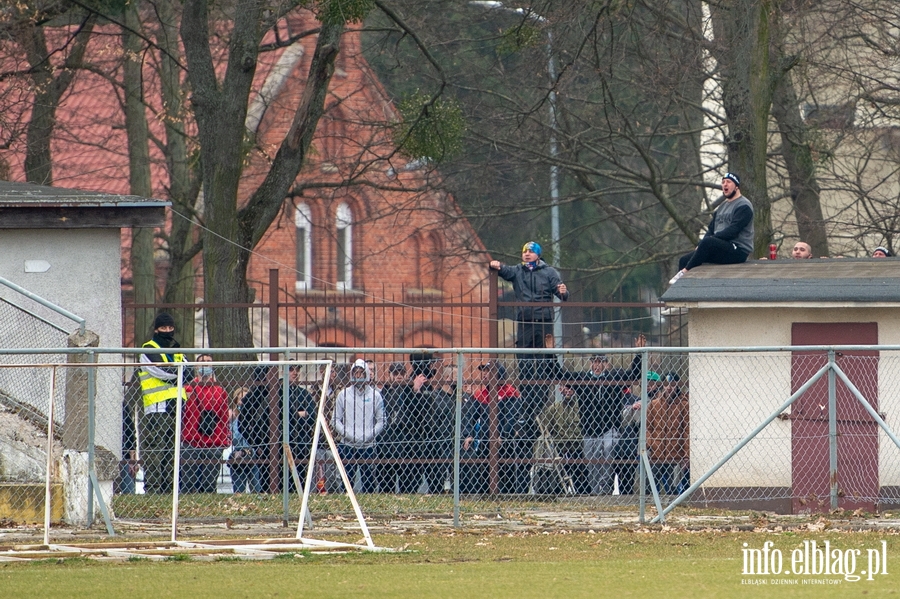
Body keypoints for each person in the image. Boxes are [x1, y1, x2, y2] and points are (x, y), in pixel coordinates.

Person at [489, 241, 569, 382]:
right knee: (524, 360)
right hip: (524, 321)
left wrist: (563, 292)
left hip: (544, 321)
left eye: (530, 252)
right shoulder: (518, 270)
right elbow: (505, 271)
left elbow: (561, 293)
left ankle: (541, 397)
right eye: (524, 251)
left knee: (543, 362)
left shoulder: (549, 272)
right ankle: (526, 397)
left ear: (538, 255)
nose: (526, 254)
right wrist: (495, 265)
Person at [574, 336, 644, 495]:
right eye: (594, 361)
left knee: (609, 450)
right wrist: (548, 352)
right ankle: (595, 491)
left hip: (609, 428)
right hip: (589, 430)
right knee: (592, 463)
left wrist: (639, 352)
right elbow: (559, 374)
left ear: (605, 364)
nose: (596, 365)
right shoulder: (583, 379)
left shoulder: (614, 377)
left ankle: (605, 490)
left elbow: (634, 374)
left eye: (600, 362)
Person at [670, 172, 754, 284]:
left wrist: (710, 241)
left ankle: (685, 272)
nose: (725, 184)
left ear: (737, 186)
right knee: (684, 260)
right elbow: (711, 230)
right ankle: (683, 290)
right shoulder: (721, 207)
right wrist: (701, 246)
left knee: (708, 242)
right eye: (723, 182)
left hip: (737, 250)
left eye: (728, 182)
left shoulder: (744, 206)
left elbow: (733, 231)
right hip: (719, 247)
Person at [137, 312, 189, 494]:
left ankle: (169, 489)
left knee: (172, 450)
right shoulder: (149, 349)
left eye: (170, 328)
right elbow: (161, 371)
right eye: (163, 328)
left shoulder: (177, 349)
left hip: (176, 406)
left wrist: (180, 375)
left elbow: (187, 369)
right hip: (157, 407)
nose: (167, 331)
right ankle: (153, 489)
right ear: (156, 329)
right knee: (154, 450)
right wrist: (180, 376)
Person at [333, 359, 385, 493]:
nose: (358, 376)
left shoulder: (376, 396)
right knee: (346, 483)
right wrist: (349, 435)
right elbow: (335, 420)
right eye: (355, 373)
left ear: (366, 374)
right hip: (347, 445)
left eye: (361, 373)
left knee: (369, 484)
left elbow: (381, 421)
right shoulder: (343, 395)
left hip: (368, 445)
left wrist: (368, 435)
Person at [473, 361, 525, 494]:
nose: (484, 374)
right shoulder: (481, 394)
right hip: (485, 440)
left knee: (506, 473)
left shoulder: (509, 392)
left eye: (488, 371)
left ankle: (509, 498)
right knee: (484, 473)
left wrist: (502, 435)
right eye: (483, 371)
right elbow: (470, 415)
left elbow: (511, 417)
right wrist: (469, 433)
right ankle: (484, 497)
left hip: (504, 442)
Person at [182, 354, 231, 493]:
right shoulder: (188, 388)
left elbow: (223, 418)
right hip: (190, 439)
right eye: (203, 362)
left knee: (209, 484)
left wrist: (223, 439)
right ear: (197, 366)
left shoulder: (220, 390)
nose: (206, 365)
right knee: (188, 483)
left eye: (209, 362)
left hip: (213, 441)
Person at [615, 371, 663, 494]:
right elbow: (624, 422)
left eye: (651, 383)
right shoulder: (640, 401)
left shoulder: (664, 402)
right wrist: (632, 409)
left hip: (661, 442)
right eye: (645, 384)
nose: (648, 386)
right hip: (642, 444)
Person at [532, 382, 584, 495]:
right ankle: (558, 489)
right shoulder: (555, 407)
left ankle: (582, 491)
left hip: (578, 446)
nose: (568, 390)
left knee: (580, 471)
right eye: (565, 387)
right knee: (556, 466)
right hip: (560, 446)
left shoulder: (581, 407)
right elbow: (543, 425)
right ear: (560, 389)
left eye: (571, 388)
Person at [645, 373, 689, 495]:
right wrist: (650, 445)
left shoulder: (684, 405)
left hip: (675, 453)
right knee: (650, 486)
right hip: (656, 453)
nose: (669, 387)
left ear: (677, 386)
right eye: (666, 385)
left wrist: (686, 454)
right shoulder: (654, 404)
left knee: (673, 489)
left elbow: (687, 430)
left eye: (673, 385)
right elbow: (648, 428)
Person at [376, 362, 415, 493]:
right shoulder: (383, 393)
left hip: (405, 439)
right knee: (386, 482)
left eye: (402, 373)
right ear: (390, 375)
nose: (399, 376)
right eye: (396, 373)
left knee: (407, 482)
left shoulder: (409, 392)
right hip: (387, 440)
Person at [280, 363, 317, 488]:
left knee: (299, 483)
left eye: (297, 370)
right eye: (291, 370)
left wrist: (293, 416)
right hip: (281, 445)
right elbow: (281, 418)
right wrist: (298, 415)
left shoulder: (304, 394)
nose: (295, 373)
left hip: (301, 445)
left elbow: (312, 417)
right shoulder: (278, 392)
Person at [229, 387, 262, 494]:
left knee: (256, 489)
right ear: (236, 401)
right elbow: (234, 437)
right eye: (241, 399)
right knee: (239, 491)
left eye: (247, 398)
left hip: (253, 452)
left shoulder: (256, 416)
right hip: (238, 452)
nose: (244, 402)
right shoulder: (233, 417)